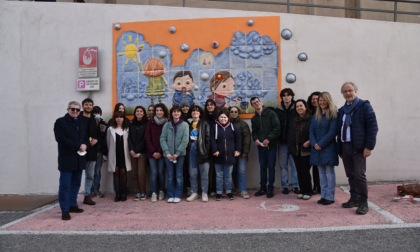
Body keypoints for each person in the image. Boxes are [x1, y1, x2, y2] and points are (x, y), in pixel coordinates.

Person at [338, 82, 378, 215]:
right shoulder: (342, 110)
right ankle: (354, 198)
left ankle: (363, 203)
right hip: (345, 147)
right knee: (350, 174)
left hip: (359, 148)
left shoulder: (364, 106)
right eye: (345, 91)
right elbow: (339, 130)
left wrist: (369, 147)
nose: (348, 93)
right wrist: (340, 149)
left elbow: (372, 128)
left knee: (359, 175)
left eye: (350, 90)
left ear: (355, 91)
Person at [54, 101, 88, 221]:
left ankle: (73, 204)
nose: (75, 111)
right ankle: (65, 210)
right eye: (73, 109)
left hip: (79, 159)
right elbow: (61, 139)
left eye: (77, 110)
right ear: (68, 109)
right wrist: (78, 145)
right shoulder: (60, 122)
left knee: (76, 184)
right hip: (67, 160)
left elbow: (85, 138)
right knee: (65, 186)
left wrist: (85, 145)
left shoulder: (81, 123)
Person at [309, 92, 339, 206]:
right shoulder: (316, 115)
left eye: (324, 100)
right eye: (320, 100)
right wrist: (314, 143)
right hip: (317, 148)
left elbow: (332, 132)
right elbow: (311, 131)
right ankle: (324, 195)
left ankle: (330, 196)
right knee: (321, 173)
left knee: (329, 172)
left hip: (328, 148)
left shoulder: (333, 114)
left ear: (328, 101)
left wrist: (320, 144)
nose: (321, 102)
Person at [250, 97, 281, 198]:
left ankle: (270, 188)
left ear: (260, 102)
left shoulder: (271, 114)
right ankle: (262, 188)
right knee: (262, 167)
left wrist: (269, 138)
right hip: (261, 148)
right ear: (252, 106)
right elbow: (254, 132)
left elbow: (277, 129)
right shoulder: (254, 118)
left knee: (271, 168)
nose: (256, 104)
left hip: (271, 146)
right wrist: (256, 140)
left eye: (257, 101)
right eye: (254, 103)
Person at [160, 105, 189, 203]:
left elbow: (185, 141)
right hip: (168, 156)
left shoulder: (185, 125)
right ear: (171, 114)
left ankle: (178, 195)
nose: (176, 113)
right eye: (174, 112)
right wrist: (167, 152)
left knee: (179, 175)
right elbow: (163, 139)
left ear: (180, 113)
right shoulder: (167, 125)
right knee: (170, 175)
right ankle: (171, 195)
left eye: (178, 111)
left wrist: (177, 153)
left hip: (179, 155)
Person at [210, 110, 241, 200]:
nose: (223, 119)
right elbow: (212, 140)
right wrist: (215, 150)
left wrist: (237, 150)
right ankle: (219, 193)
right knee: (219, 175)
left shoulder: (232, 127)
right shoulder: (214, 127)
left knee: (228, 175)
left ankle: (229, 192)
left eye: (225, 117)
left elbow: (238, 140)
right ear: (218, 118)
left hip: (230, 155)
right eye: (221, 117)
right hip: (218, 155)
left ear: (228, 118)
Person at [275, 88, 299, 195]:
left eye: (288, 95)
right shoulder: (278, 110)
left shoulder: (297, 108)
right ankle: (285, 185)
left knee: (294, 165)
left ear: (292, 96)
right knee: (283, 165)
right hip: (282, 142)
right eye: (284, 95)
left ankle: (295, 185)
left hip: (294, 142)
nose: (286, 97)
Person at [287, 100, 312, 200]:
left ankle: (308, 191)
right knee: (299, 171)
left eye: (301, 106)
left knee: (305, 171)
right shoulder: (294, 119)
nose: (299, 108)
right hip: (295, 150)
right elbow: (290, 133)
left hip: (306, 149)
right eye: (297, 107)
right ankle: (302, 190)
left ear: (305, 107)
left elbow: (313, 132)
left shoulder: (311, 119)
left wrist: (310, 141)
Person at [186, 105, 211, 202]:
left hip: (202, 150)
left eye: (197, 111)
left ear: (200, 113)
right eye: (193, 111)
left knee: (204, 174)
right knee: (193, 174)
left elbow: (208, 139)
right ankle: (194, 192)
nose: (195, 112)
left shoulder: (204, 123)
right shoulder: (188, 124)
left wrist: (207, 152)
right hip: (191, 151)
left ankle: (204, 193)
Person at [145, 103, 168, 202]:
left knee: (161, 172)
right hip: (151, 153)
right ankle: (154, 192)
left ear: (164, 112)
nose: (159, 112)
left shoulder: (167, 123)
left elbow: (166, 139)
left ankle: (161, 191)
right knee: (154, 172)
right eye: (157, 110)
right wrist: (153, 151)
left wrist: (159, 151)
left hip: (162, 152)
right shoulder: (150, 122)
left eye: (161, 110)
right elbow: (147, 138)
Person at [106, 111, 131, 202]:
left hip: (124, 154)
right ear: (114, 119)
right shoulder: (110, 129)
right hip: (114, 154)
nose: (119, 119)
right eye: (117, 117)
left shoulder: (127, 129)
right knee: (115, 172)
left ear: (124, 119)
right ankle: (118, 194)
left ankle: (124, 193)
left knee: (123, 172)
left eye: (121, 117)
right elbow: (108, 143)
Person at [78, 98, 98, 206]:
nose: (88, 106)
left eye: (90, 105)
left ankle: (87, 196)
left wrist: (96, 140)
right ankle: (73, 198)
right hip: (79, 151)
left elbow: (98, 134)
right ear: (82, 106)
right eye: (86, 104)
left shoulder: (95, 119)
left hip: (92, 152)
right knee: (77, 175)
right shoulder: (78, 118)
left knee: (90, 175)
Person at [229, 106, 251, 199]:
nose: (233, 113)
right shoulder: (227, 123)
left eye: (235, 111)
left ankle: (243, 190)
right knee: (232, 171)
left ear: (238, 113)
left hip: (241, 152)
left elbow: (247, 139)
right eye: (231, 111)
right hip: (230, 153)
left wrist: (245, 151)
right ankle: (236, 188)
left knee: (241, 171)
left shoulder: (243, 124)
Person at [128, 106, 148, 201]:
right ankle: (138, 192)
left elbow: (145, 139)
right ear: (135, 113)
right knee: (134, 173)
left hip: (142, 153)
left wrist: (137, 150)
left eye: (141, 111)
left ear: (144, 113)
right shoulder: (131, 124)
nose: (139, 112)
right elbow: (129, 138)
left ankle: (143, 192)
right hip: (132, 153)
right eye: (137, 111)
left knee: (141, 173)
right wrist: (131, 149)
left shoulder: (146, 124)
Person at [307, 92, 321, 195]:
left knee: (320, 167)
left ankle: (321, 187)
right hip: (309, 144)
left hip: (320, 143)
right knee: (313, 167)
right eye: (313, 99)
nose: (315, 100)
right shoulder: (308, 112)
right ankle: (315, 186)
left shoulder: (325, 112)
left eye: (317, 99)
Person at [92, 106, 108, 198]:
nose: (96, 115)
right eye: (95, 113)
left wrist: (104, 153)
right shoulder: (88, 123)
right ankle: (89, 191)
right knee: (90, 172)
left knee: (97, 171)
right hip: (90, 152)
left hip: (99, 152)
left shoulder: (103, 124)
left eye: (98, 113)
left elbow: (104, 139)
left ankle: (96, 189)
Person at [204, 99, 219, 196]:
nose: (210, 106)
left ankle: (214, 188)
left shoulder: (218, 118)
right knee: (206, 169)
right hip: (205, 146)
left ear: (214, 106)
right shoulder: (203, 118)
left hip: (216, 147)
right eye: (208, 105)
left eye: (211, 105)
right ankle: (206, 189)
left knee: (215, 169)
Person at [180, 100, 192, 196]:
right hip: (181, 147)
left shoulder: (193, 117)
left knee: (190, 168)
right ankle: (184, 187)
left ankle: (191, 187)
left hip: (190, 147)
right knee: (183, 169)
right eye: (183, 106)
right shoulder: (178, 118)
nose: (185, 108)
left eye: (186, 106)